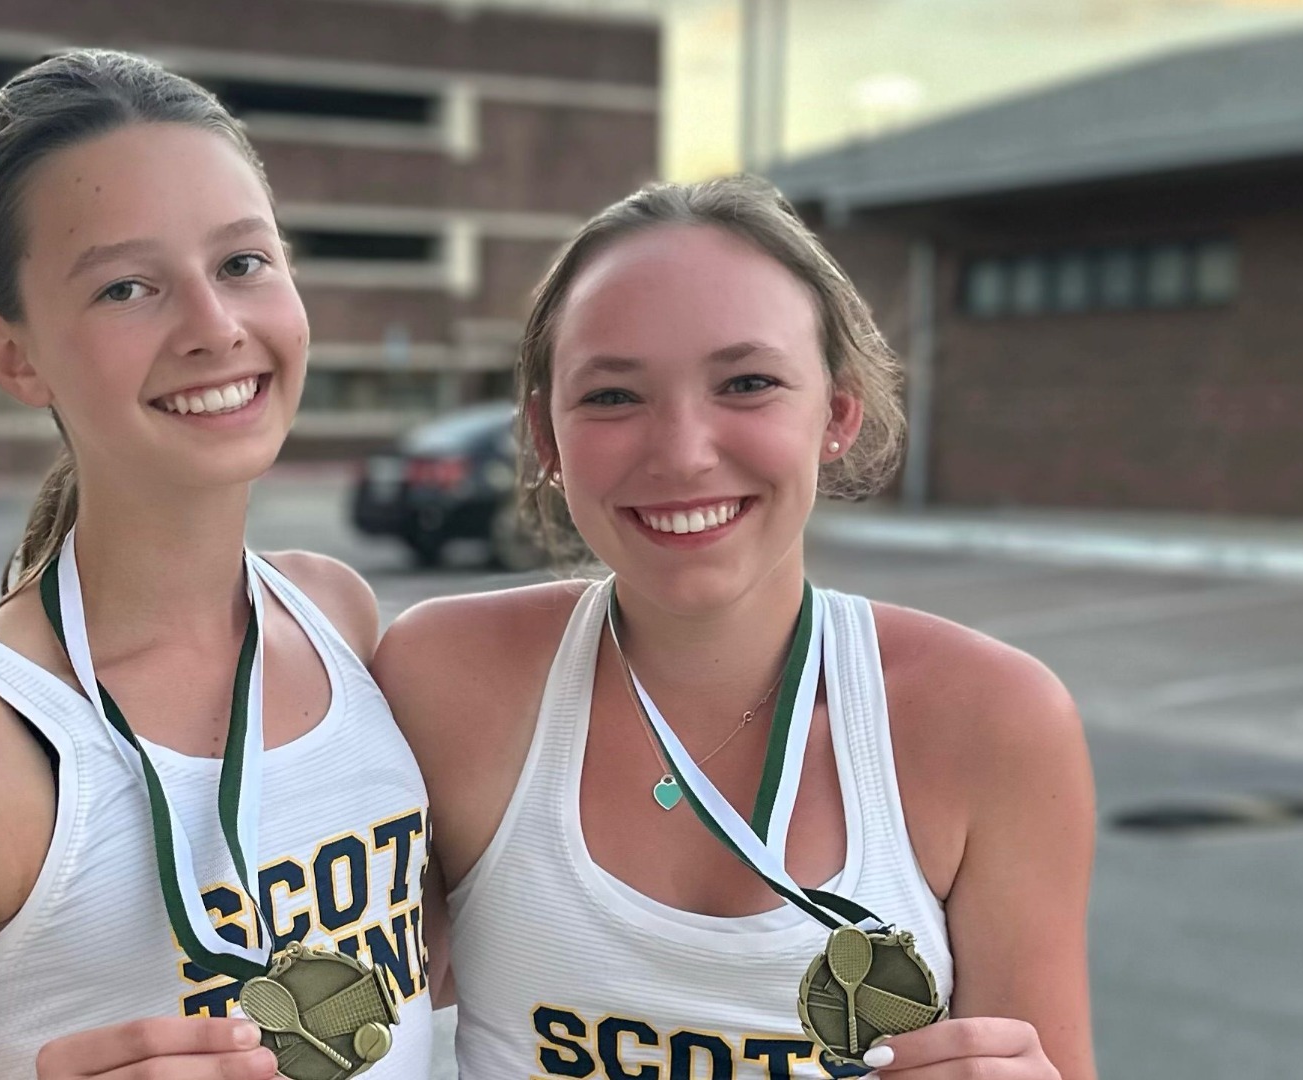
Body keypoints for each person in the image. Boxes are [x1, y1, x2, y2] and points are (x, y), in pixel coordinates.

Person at [0, 50, 434, 1080]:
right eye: (127, 287)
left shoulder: (335, 614)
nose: (215, 329)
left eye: (243, 263)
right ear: (11, 354)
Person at [374, 176, 1096, 1080]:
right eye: (611, 396)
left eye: (747, 383)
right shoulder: (447, 676)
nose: (681, 452)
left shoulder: (992, 720)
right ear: (546, 438)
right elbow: (351, 1006)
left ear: (836, 414)